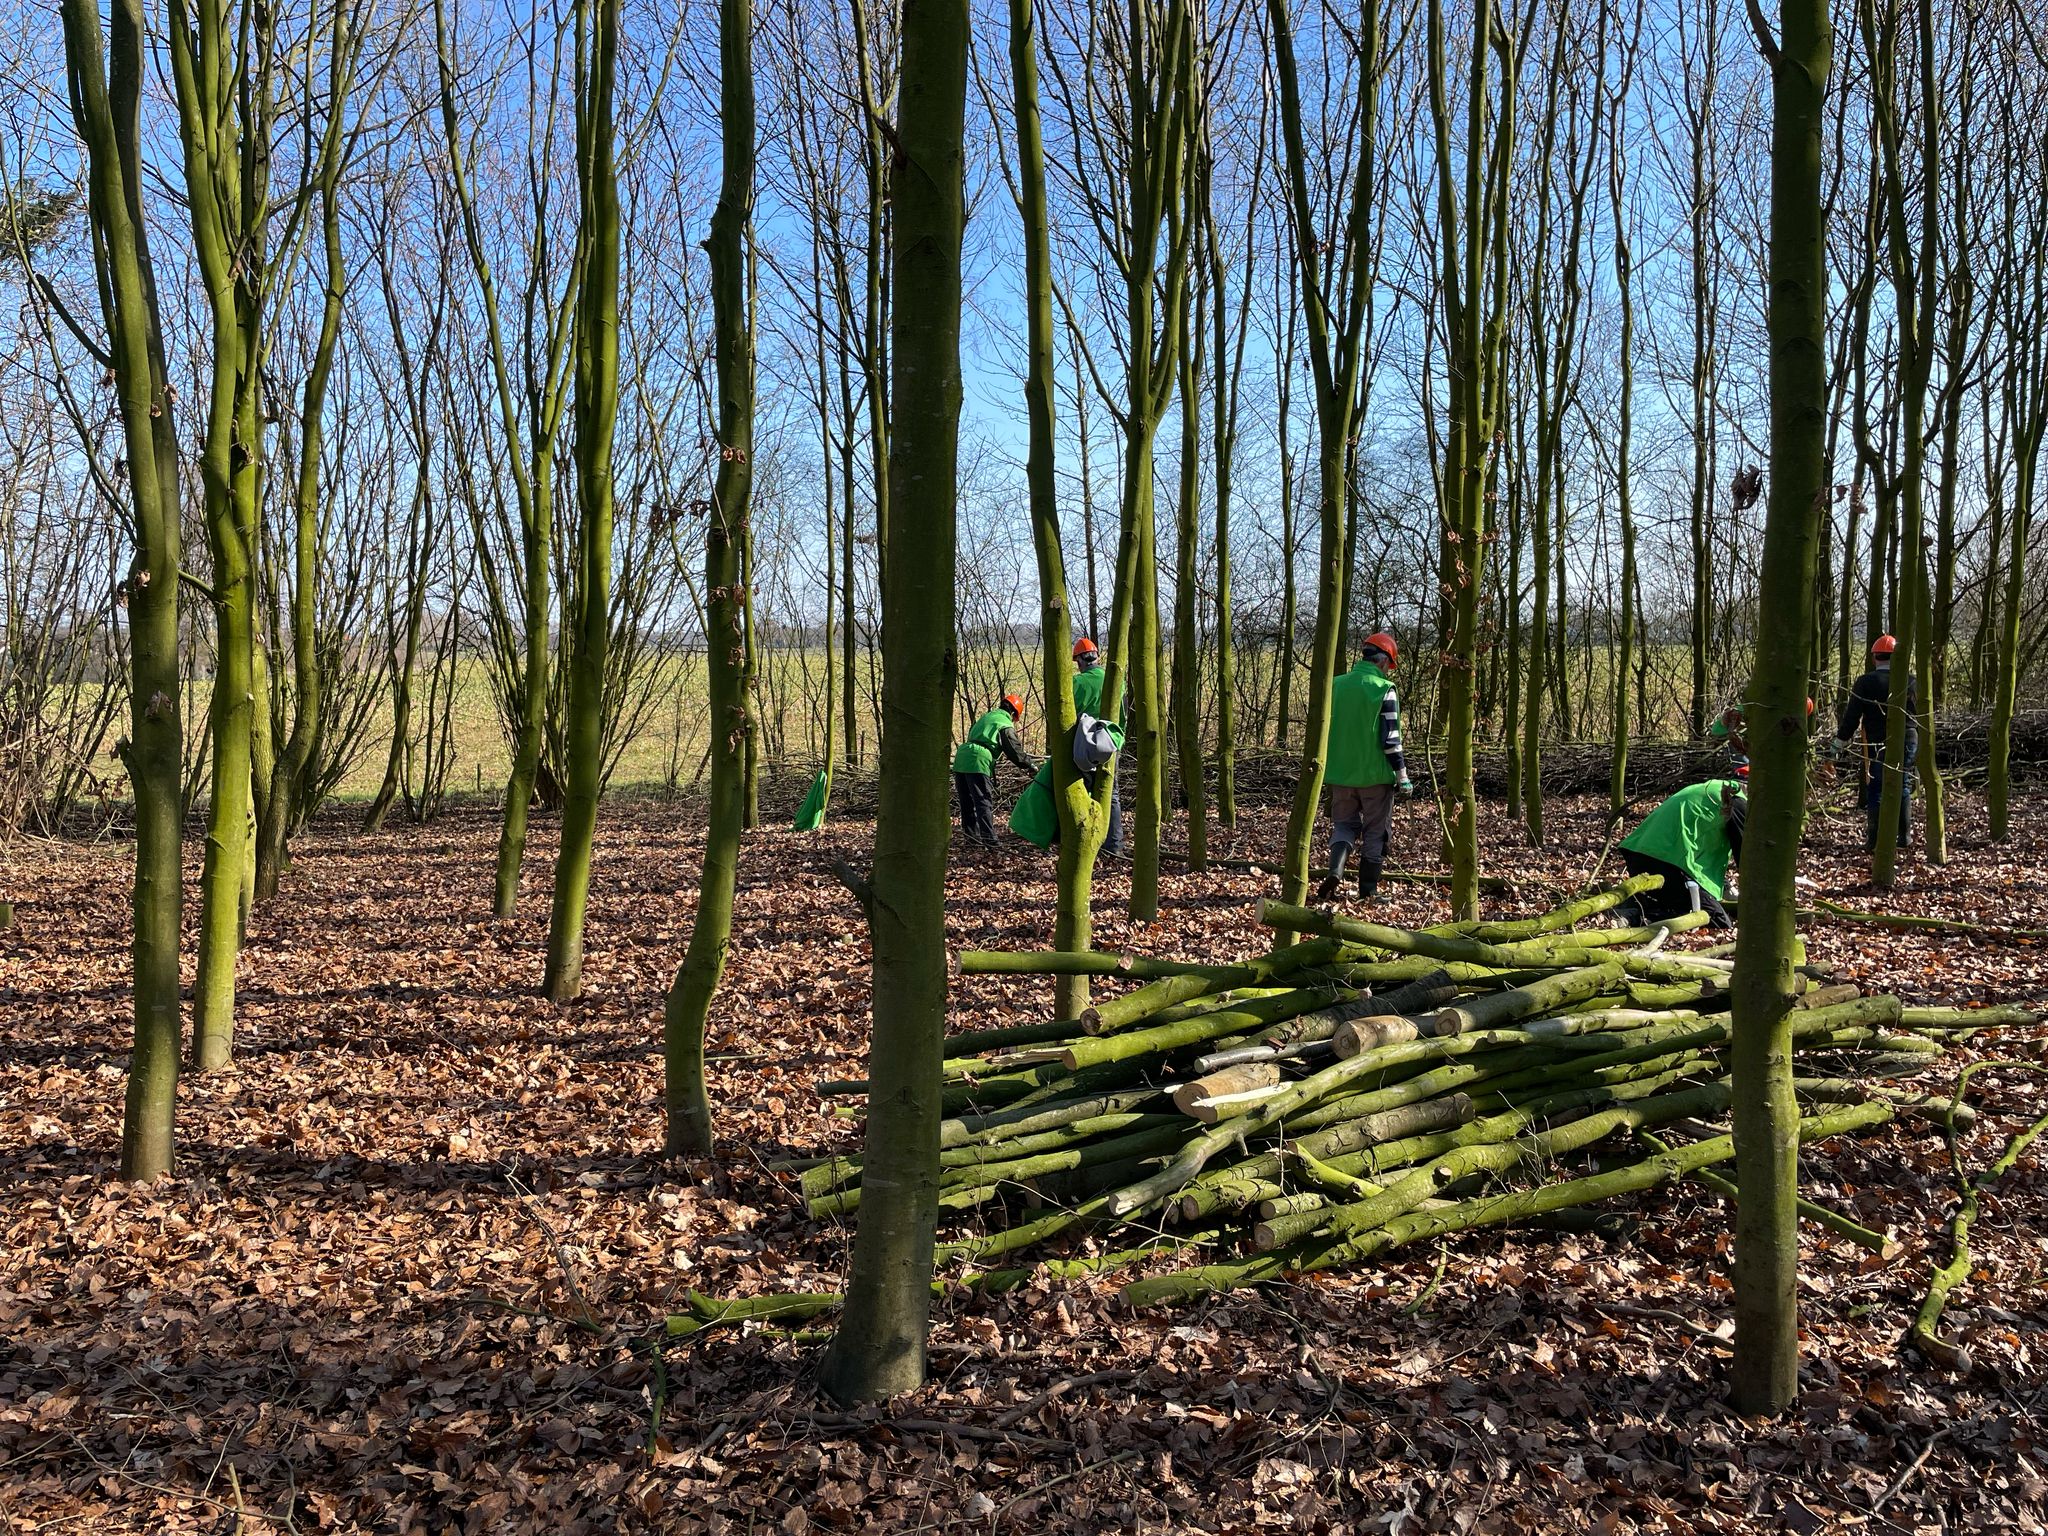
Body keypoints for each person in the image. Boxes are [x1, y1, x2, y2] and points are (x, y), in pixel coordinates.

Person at [1316, 632, 1413, 903]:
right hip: (1375, 778)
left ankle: (1335, 871)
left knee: (1344, 825)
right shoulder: (1384, 689)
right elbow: (1391, 738)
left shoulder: (1335, 685)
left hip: (1339, 775)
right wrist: (1402, 776)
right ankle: (1368, 891)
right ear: (1384, 662)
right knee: (1375, 831)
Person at [1615, 778, 1747, 929]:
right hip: (1669, 862)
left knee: (1686, 901)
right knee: (1717, 919)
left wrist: (1725, 887)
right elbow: (1747, 858)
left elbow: (1706, 845)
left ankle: (1636, 902)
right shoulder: (1737, 802)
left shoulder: (1713, 791)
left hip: (1640, 854)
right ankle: (1636, 916)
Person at [1828, 635, 1916, 851]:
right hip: (1910, 739)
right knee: (1903, 784)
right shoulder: (1911, 680)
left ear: (1875, 657)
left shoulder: (1866, 682)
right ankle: (1903, 838)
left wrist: (1838, 744)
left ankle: (1873, 841)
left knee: (1876, 789)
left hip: (1879, 743)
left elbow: (1851, 717)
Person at [953, 694, 1035, 850]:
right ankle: (990, 841)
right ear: (1013, 714)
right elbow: (1014, 750)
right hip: (978, 759)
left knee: (967, 803)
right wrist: (1029, 765)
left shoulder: (988, 716)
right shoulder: (1004, 723)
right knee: (983, 801)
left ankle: (971, 841)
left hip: (961, 758)